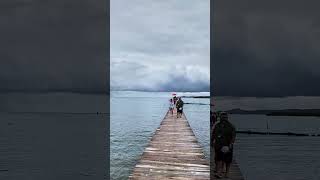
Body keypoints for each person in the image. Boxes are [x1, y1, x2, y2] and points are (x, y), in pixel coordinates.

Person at [212, 112, 236, 178]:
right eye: (222, 117)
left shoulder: (231, 126)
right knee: (219, 159)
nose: (224, 119)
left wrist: (231, 143)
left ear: (227, 118)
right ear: (220, 118)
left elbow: (233, 136)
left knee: (228, 160)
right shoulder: (217, 125)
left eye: (225, 117)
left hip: (227, 145)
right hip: (219, 145)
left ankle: (227, 172)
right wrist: (212, 141)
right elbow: (214, 134)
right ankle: (219, 172)